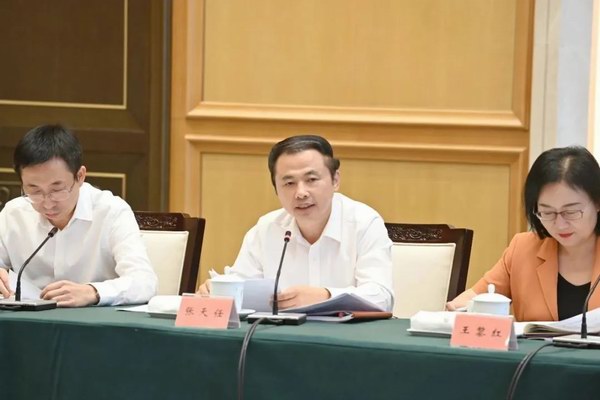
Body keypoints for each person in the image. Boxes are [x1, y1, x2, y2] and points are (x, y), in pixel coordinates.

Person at [197, 135, 394, 311]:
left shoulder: (364, 223)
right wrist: (219, 291)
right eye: (289, 183)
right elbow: (242, 285)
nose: (301, 193)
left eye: (311, 179)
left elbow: (381, 297)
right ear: (276, 189)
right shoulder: (267, 228)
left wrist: (326, 296)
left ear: (335, 180)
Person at [0, 124, 157, 307]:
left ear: (80, 176)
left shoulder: (111, 212)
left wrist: (93, 291)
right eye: (34, 190)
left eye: (57, 189)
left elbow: (144, 282)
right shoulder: (14, 213)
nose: (47, 203)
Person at [447, 146, 600, 321]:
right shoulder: (523, 249)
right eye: (547, 212)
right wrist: (458, 310)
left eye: (571, 212)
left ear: (597, 202)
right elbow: (472, 299)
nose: (560, 224)